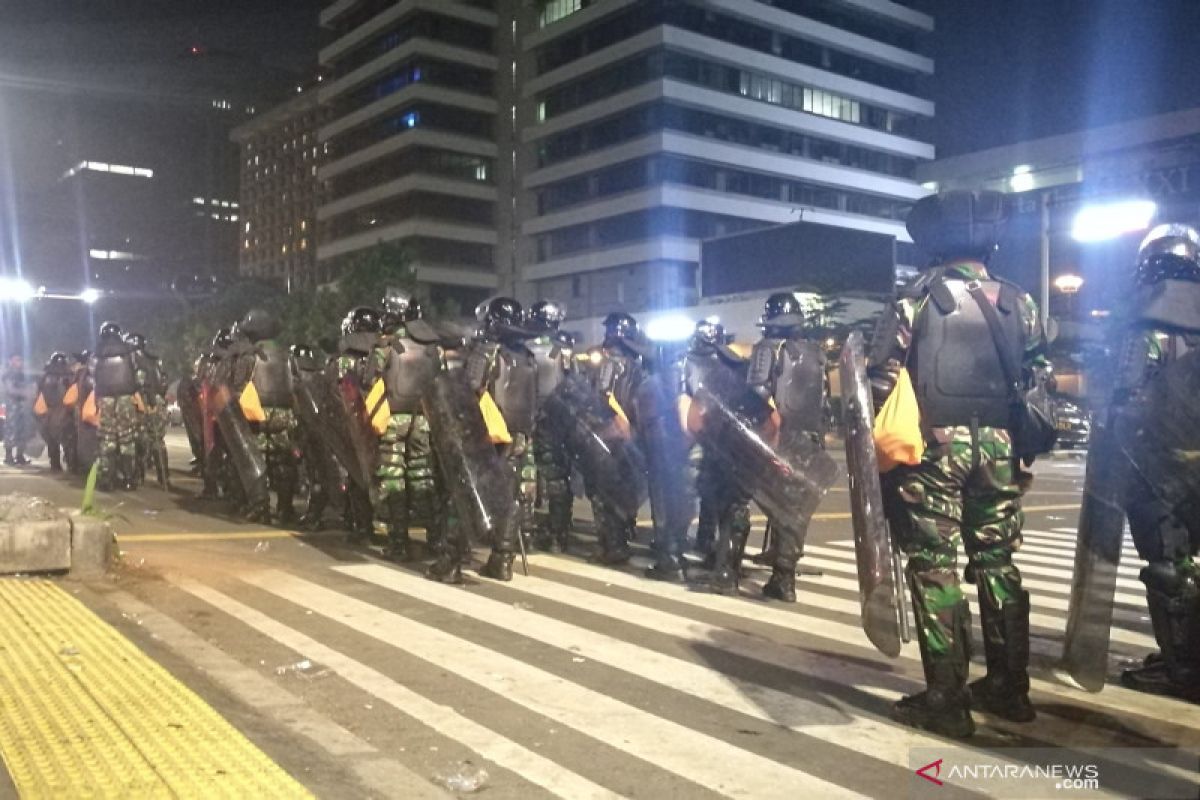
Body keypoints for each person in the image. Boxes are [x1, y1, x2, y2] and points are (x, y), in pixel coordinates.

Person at [868, 189, 1046, 738]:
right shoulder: (1021, 301)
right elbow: (1039, 378)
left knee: (934, 566)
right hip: (999, 450)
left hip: (934, 450)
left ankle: (946, 698)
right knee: (998, 563)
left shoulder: (914, 299)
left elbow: (879, 380)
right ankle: (1009, 689)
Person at [1113, 224, 1200, 702]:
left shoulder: (1147, 321)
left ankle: (1181, 667)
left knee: (1168, 565)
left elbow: (1128, 397)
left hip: (1160, 466)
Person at [742, 292, 830, 602]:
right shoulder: (817, 354)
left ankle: (783, 576)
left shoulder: (767, 350)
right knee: (795, 506)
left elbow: (757, 396)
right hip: (812, 438)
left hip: (779, 437)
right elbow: (824, 402)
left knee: (772, 504)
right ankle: (781, 561)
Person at [596, 311, 692, 580]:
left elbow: (604, 396)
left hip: (629, 437)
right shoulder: (653, 369)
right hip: (651, 441)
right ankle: (669, 551)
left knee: (614, 494)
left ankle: (662, 557)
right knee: (645, 494)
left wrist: (619, 424)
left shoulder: (614, 364)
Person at [460, 297, 538, 581]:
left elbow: (468, 392)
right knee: (511, 496)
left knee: (470, 491)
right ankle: (503, 559)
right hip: (520, 434)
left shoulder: (486, 353)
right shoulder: (528, 357)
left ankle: (454, 555)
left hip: (489, 434)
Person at [368, 292, 443, 562]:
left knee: (393, 478)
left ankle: (398, 541)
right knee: (423, 476)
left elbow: (369, 382)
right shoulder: (434, 348)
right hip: (424, 418)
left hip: (393, 418)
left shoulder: (385, 347)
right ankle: (436, 538)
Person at [679, 319, 751, 593]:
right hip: (735, 441)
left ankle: (716, 561)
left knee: (704, 493)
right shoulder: (737, 363)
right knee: (731, 505)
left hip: (711, 439)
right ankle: (725, 563)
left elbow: (690, 411)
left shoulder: (686, 363)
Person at [239, 308, 300, 525]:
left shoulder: (249, 356)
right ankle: (285, 508)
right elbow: (297, 384)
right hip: (284, 415)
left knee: (256, 462)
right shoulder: (287, 356)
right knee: (283, 463)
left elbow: (239, 387)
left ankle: (260, 507)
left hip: (256, 415)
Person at [527, 300, 576, 553]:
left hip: (527, 418)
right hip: (557, 420)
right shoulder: (562, 349)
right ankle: (559, 533)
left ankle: (524, 531)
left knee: (523, 475)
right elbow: (573, 385)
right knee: (557, 477)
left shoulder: (522, 345)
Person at [332, 306, 383, 542]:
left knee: (355, 473)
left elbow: (333, 392)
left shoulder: (343, 360)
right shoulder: (385, 353)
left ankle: (362, 526)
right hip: (380, 422)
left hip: (351, 423)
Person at [92, 322, 142, 490]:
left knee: (107, 439)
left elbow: (93, 378)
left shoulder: (96, 354)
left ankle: (107, 480)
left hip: (105, 399)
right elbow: (139, 375)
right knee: (127, 439)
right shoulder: (130, 352)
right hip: (126, 399)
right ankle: (129, 479)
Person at [127, 332, 170, 488]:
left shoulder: (133, 361)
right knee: (158, 440)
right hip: (158, 402)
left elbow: (138, 385)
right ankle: (164, 477)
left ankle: (138, 476)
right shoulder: (155, 361)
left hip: (142, 402)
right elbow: (164, 382)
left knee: (139, 439)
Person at [34, 352, 75, 472]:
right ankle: (71, 465)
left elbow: (39, 394)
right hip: (64, 412)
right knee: (67, 441)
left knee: (52, 441)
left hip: (48, 413)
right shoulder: (69, 377)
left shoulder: (45, 376)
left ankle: (55, 464)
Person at [3, 354, 33, 466]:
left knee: (22, 431)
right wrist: (25, 393)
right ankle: (9, 457)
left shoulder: (21, 374)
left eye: (20, 360)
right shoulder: (9, 374)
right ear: (10, 361)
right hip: (11, 407)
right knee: (10, 431)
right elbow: (10, 390)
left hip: (21, 407)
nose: (20, 362)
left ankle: (20, 456)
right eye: (17, 360)